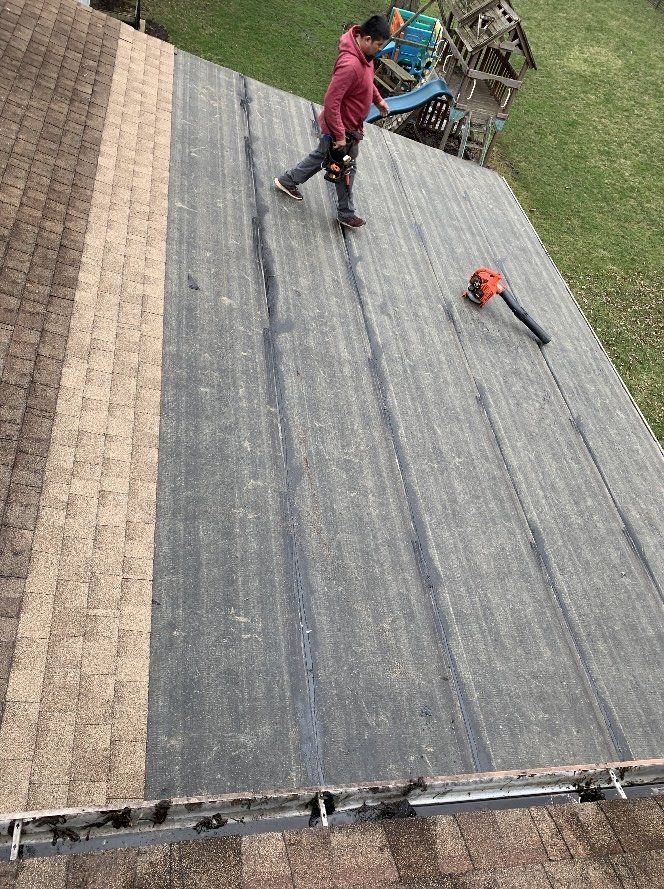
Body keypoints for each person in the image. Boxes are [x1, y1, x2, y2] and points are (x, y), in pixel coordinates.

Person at [275, 16, 391, 229]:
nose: (380, 49)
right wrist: (339, 135)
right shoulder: (350, 65)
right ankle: (346, 213)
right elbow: (331, 102)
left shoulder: (366, 57)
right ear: (366, 39)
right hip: (341, 131)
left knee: (323, 158)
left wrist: (378, 100)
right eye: (379, 45)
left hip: (350, 129)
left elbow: (367, 82)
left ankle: (287, 181)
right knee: (345, 168)